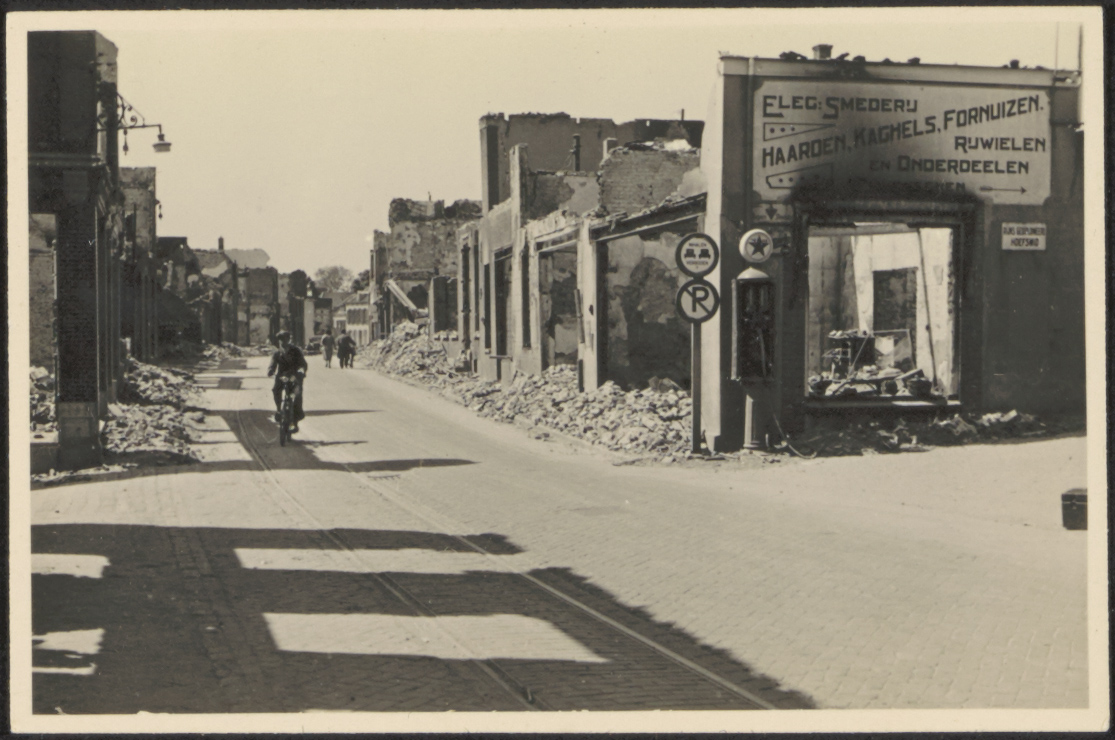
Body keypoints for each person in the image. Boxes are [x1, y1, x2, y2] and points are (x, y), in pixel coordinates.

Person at [267, 330, 307, 433]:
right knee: (275, 390)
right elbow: (272, 364)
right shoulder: (277, 353)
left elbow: (303, 363)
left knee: (297, 394)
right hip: (282, 376)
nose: (282, 341)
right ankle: (278, 410)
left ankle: (296, 420)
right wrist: (271, 370)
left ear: (289, 339)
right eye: (280, 339)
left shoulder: (296, 351)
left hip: (294, 376)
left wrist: (301, 371)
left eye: (285, 339)